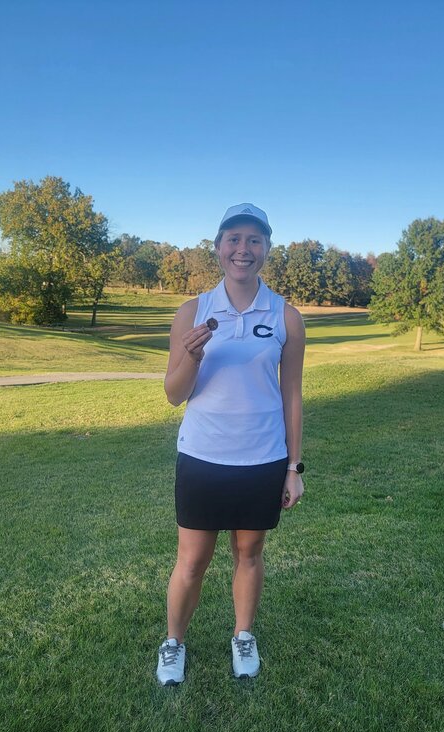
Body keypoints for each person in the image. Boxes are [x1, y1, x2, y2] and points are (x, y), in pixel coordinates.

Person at [156, 203, 305, 685]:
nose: (244, 249)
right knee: (192, 561)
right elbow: (174, 395)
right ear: (218, 248)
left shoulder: (286, 316)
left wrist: (294, 468)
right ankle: (173, 642)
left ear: (266, 249)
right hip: (203, 457)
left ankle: (243, 635)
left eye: (254, 240)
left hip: (263, 458)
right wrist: (193, 356)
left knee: (251, 553)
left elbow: (292, 395)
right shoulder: (192, 311)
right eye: (234, 239)